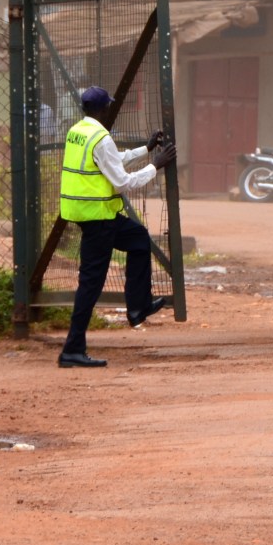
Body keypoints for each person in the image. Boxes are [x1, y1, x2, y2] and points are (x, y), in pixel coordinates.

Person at [57, 86, 177, 368]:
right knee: (90, 284)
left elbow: (111, 160)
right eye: (109, 106)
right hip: (98, 218)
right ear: (103, 109)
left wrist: (146, 149)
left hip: (91, 214)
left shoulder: (78, 131)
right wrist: (155, 166)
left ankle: (138, 307)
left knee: (139, 239)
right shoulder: (100, 138)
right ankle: (72, 350)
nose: (110, 109)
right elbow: (122, 182)